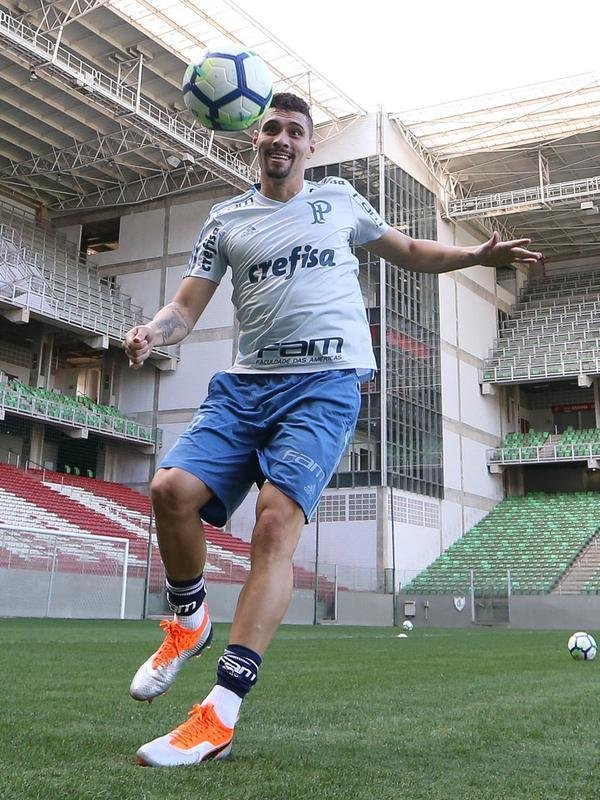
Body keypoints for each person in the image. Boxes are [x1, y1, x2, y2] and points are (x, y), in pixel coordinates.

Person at [123, 92, 542, 767]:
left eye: (295, 130)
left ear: (310, 146)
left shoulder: (341, 199)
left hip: (326, 384)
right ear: (253, 140)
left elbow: (406, 249)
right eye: (271, 129)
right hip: (246, 385)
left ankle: (218, 715)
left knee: (273, 523)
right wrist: (152, 332)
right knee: (170, 491)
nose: (282, 139)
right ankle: (189, 617)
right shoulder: (225, 218)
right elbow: (185, 307)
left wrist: (471, 256)